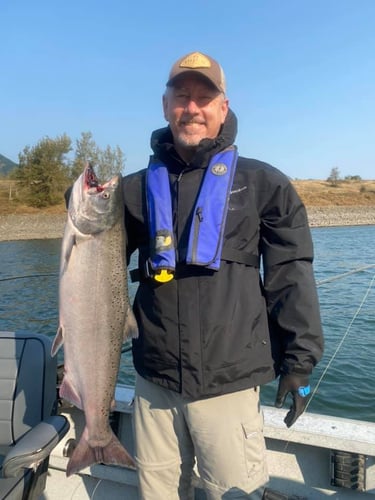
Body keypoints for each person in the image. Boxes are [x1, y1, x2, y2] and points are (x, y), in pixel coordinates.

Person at [123, 51, 324, 500]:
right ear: (164, 106)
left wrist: (300, 361)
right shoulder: (132, 189)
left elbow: (291, 276)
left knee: (233, 493)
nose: (191, 108)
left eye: (203, 98)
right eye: (181, 97)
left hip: (229, 385)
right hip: (153, 381)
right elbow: (91, 276)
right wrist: (78, 213)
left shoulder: (265, 183)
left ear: (222, 108)